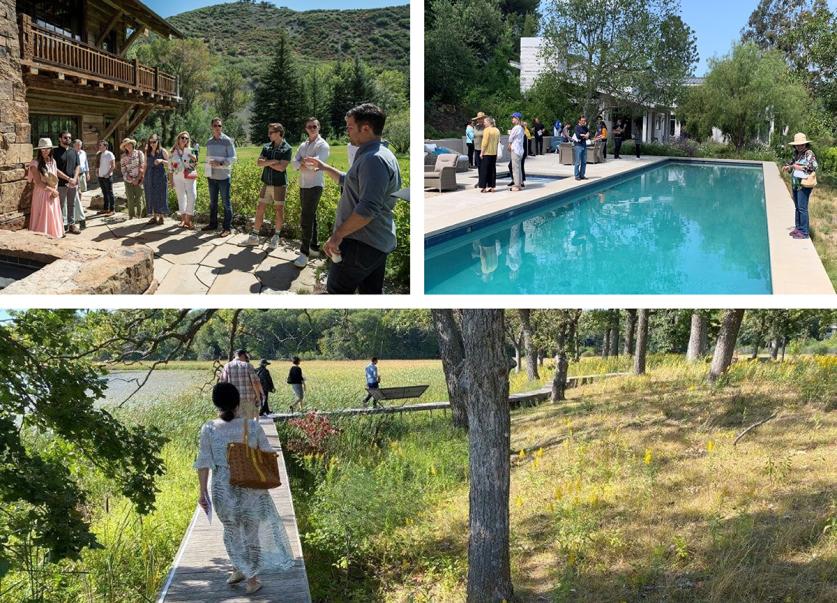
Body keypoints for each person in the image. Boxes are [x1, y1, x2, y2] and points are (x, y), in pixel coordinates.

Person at [195, 382, 294, 596]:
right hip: (251, 486)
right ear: (238, 402)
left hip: (223, 487)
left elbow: (203, 462)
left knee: (231, 530)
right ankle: (250, 577)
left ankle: (243, 570)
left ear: (216, 404)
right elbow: (267, 453)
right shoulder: (252, 427)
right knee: (251, 532)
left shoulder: (209, 428)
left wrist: (202, 492)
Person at [303, 103, 401, 295]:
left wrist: (337, 236)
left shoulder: (373, 159)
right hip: (375, 243)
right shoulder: (380, 154)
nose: (347, 132)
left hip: (360, 243)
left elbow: (367, 209)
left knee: (337, 291)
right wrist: (325, 167)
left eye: (349, 127)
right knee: (370, 293)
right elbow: (350, 181)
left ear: (365, 128)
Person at [245, 123, 291, 249]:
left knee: (278, 210)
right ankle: (254, 236)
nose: (268, 135)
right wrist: (273, 161)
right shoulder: (266, 147)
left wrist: (267, 163)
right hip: (266, 183)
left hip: (279, 185)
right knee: (260, 208)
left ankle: (276, 237)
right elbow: (259, 163)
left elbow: (282, 168)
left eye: (271, 132)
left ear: (278, 133)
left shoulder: (287, 148)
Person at [291, 117, 330, 267]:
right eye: (309, 126)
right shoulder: (303, 144)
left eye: (314, 126)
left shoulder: (323, 145)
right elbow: (294, 162)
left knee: (306, 219)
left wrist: (303, 163)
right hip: (303, 184)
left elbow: (315, 165)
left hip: (314, 186)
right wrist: (303, 162)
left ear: (319, 127)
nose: (312, 128)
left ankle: (304, 254)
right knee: (310, 215)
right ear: (306, 129)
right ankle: (313, 247)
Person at [782, 132, 818, 240]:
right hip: (796, 183)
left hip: (804, 184)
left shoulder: (809, 153)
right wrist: (788, 167)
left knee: (802, 208)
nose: (799, 146)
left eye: (801, 144)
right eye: (797, 145)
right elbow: (792, 164)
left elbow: (814, 166)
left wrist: (799, 167)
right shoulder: (796, 153)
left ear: (805, 144)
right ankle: (798, 228)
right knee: (797, 207)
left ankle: (805, 232)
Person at [204, 117, 236, 237]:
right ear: (211, 127)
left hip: (224, 177)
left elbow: (233, 158)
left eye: (220, 126)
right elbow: (208, 159)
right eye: (215, 126)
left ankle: (227, 228)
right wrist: (207, 170)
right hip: (211, 177)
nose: (218, 128)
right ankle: (213, 224)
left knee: (226, 203)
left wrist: (220, 163)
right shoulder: (209, 142)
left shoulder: (227, 141)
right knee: (213, 202)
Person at [27, 138, 63, 239]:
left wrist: (55, 191)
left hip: (53, 193)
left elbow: (54, 177)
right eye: (43, 149)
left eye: (47, 148)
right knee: (42, 214)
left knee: (52, 214)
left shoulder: (53, 161)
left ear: (51, 149)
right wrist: (53, 190)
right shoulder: (34, 163)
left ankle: (53, 234)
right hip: (41, 193)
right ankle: (41, 236)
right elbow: (38, 182)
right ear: (39, 150)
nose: (45, 151)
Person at [219, 349, 263, 421]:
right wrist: (258, 397)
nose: (246, 359)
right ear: (242, 355)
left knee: (234, 423)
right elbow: (255, 383)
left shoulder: (227, 366)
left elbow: (223, 384)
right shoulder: (248, 366)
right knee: (247, 424)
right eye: (246, 357)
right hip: (248, 400)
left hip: (233, 401)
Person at [54, 131, 82, 234]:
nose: (68, 139)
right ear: (60, 139)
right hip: (60, 184)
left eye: (69, 138)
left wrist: (74, 178)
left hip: (73, 183)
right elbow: (54, 169)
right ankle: (60, 226)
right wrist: (68, 179)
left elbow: (77, 166)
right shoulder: (55, 152)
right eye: (65, 138)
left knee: (72, 204)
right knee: (60, 205)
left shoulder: (73, 151)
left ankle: (71, 225)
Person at [169, 131, 198, 229]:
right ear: (178, 139)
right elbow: (170, 168)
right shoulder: (173, 152)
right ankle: (183, 220)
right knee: (181, 197)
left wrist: (194, 159)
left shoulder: (191, 150)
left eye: (186, 138)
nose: (184, 140)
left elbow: (195, 164)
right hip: (177, 177)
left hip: (189, 176)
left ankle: (188, 218)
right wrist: (171, 180)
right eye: (182, 138)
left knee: (193, 195)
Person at [143, 134, 169, 225]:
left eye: (154, 142)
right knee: (151, 195)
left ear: (158, 141)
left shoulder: (163, 151)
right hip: (149, 176)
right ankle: (154, 217)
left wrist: (161, 161)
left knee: (161, 195)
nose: (152, 144)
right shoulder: (147, 152)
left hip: (160, 176)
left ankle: (161, 217)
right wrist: (143, 176)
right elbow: (145, 164)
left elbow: (170, 163)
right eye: (150, 142)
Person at [119, 138, 146, 219]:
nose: (128, 146)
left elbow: (142, 166)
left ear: (132, 144)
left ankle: (139, 215)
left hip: (139, 178)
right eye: (125, 145)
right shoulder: (123, 156)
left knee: (139, 197)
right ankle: (131, 215)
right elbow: (123, 170)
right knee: (130, 198)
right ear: (124, 147)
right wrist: (131, 179)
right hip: (128, 180)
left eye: (129, 144)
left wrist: (137, 179)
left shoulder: (139, 153)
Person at [479, 116, 500, 193]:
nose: (484, 123)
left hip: (487, 153)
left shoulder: (487, 130)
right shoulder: (497, 130)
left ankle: (484, 187)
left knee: (484, 170)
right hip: (494, 153)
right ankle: (492, 187)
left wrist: (482, 152)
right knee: (492, 170)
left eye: (485, 122)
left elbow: (485, 142)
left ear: (488, 122)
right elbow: (498, 142)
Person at [95, 141, 116, 216]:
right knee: (104, 193)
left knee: (110, 193)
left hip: (107, 177)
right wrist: (97, 171)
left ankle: (112, 209)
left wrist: (107, 174)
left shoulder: (109, 154)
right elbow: (97, 164)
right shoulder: (99, 154)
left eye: (101, 145)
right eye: (99, 145)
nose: (99, 146)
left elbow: (113, 166)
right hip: (100, 176)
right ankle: (105, 208)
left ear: (105, 146)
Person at [508, 112, 525, 192]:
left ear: (517, 119)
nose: (512, 119)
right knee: (519, 168)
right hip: (520, 150)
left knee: (515, 168)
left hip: (515, 150)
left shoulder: (516, 128)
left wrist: (509, 145)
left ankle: (516, 185)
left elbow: (510, 138)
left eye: (513, 118)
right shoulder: (521, 128)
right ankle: (520, 183)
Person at [573, 115, 591, 180]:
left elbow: (589, 134)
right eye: (582, 120)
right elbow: (578, 136)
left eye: (584, 120)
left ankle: (582, 175)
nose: (584, 122)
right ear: (579, 121)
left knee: (584, 161)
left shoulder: (585, 127)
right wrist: (584, 135)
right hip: (578, 145)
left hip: (584, 145)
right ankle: (577, 176)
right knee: (578, 162)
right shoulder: (577, 127)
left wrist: (586, 135)